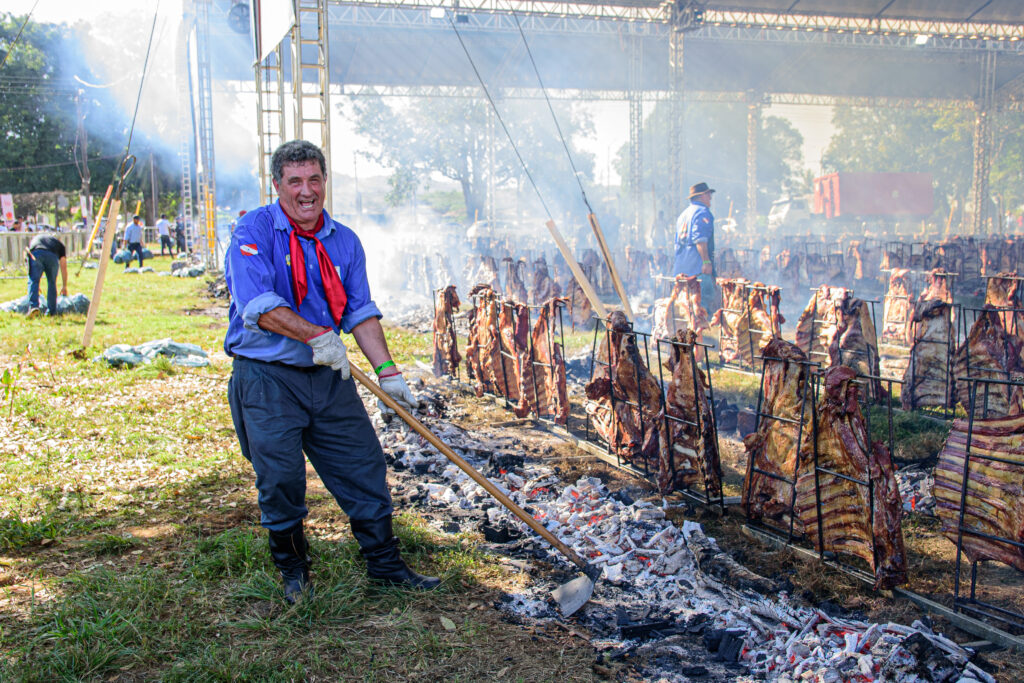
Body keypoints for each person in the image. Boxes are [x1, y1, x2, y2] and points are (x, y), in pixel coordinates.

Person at [223, 140, 439, 604]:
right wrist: (317, 336)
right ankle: (294, 572)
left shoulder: (344, 241)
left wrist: (388, 372)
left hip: (327, 377)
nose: (306, 191)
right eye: (295, 181)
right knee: (280, 478)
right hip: (266, 378)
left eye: (314, 179)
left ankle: (385, 565)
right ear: (277, 185)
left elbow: (360, 310)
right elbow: (257, 304)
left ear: (325, 181)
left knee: (363, 464)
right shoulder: (253, 230)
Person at [673, 182, 719, 311]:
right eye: (708, 194)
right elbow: (700, 240)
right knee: (701, 307)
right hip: (697, 270)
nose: (710, 197)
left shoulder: (683, 215)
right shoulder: (702, 212)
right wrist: (706, 262)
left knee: (683, 307)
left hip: (681, 269)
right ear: (701, 196)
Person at [25, 233, 68, 317]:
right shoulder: (59, 244)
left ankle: (34, 307)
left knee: (33, 280)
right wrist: (64, 286)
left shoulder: (37, 237)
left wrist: (35, 286)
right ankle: (51, 312)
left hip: (36, 253)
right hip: (52, 256)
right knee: (52, 283)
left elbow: (28, 261)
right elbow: (63, 266)